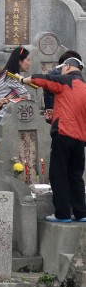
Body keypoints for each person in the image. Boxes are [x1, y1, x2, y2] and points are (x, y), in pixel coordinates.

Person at [17, 57, 86, 222]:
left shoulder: (65, 81)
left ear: (67, 67)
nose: (60, 71)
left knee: (58, 174)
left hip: (63, 134)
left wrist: (22, 79)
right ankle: (81, 213)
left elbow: (42, 79)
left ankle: (62, 214)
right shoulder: (84, 86)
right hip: (80, 139)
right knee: (76, 176)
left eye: (62, 68)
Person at [0, 46, 34, 135]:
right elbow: (27, 97)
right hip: (3, 119)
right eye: (28, 60)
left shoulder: (6, 73)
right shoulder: (11, 76)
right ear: (19, 61)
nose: (29, 64)